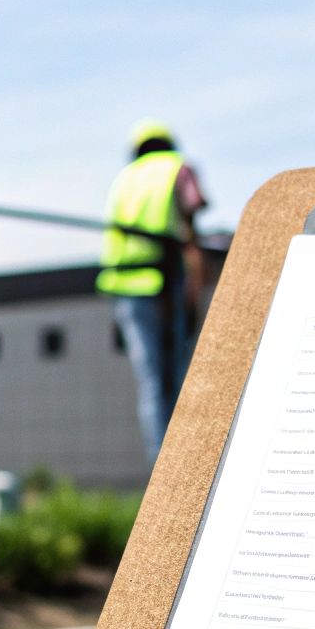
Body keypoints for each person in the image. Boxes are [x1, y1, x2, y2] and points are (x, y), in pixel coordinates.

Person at [99, 119, 206, 463]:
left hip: (125, 286)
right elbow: (191, 229)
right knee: (174, 377)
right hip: (163, 282)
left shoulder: (123, 179)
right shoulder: (177, 168)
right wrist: (195, 285)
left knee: (150, 383)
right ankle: (182, 464)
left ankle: (160, 465)